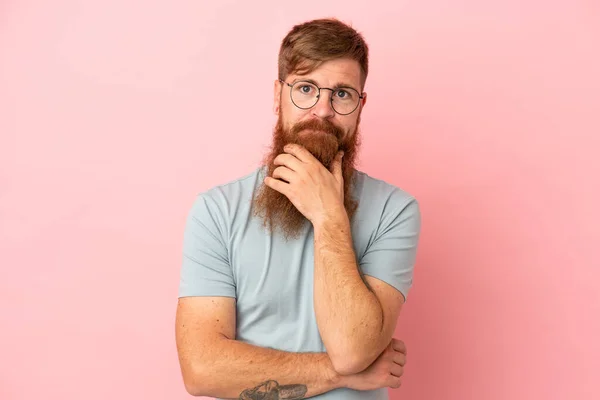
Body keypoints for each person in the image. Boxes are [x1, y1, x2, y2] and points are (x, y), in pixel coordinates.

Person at [175, 17, 421, 400]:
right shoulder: (216, 211)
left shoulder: (395, 210)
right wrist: (340, 374)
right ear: (278, 95)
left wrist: (328, 216)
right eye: (305, 88)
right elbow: (202, 370)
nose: (322, 110)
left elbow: (353, 349)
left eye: (342, 94)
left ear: (360, 105)